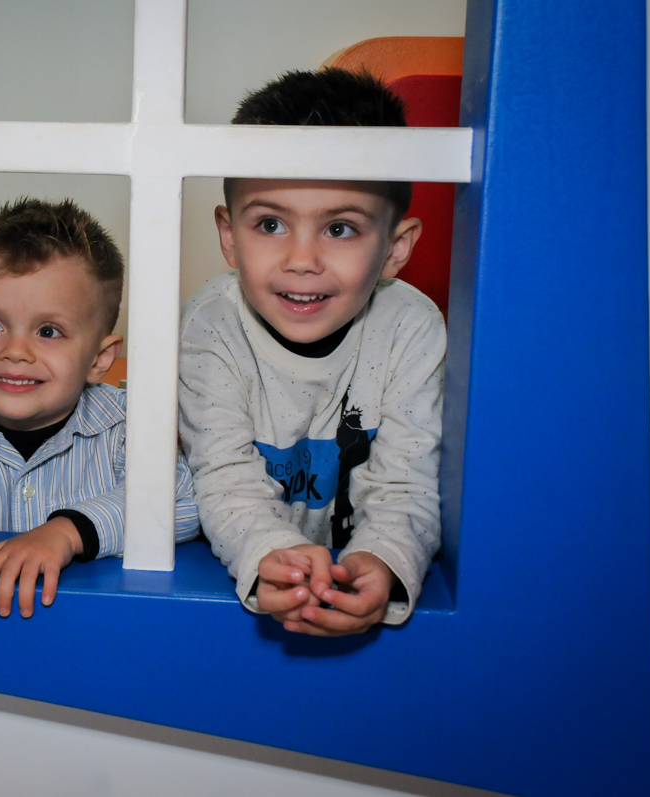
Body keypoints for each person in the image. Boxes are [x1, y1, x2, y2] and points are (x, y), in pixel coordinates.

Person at [179, 68, 444, 636]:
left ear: (397, 247)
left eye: (341, 229)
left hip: (352, 571)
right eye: (271, 223)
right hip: (241, 573)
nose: (302, 259)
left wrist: (386, 562)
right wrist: (274, 554)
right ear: (229, 236)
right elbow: (224, 476)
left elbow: (407, 481)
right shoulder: (213, 323)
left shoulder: (412, 327)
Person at [0, 197, 200, 656]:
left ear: (100, 359)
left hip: (102, 647)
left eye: (48, 331)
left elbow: (180, 496)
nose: (15, 351)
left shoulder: (130, 427)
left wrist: (66, 534)